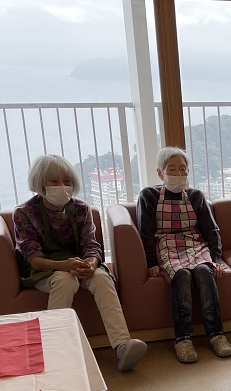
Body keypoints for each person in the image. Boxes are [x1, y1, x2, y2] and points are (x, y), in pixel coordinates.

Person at [14, 154, 146, 372]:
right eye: (54, 181)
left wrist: (92, 264)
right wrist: (64, 265)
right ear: (40, 183)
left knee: (102, 278)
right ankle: (54, 350)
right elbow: (34, 260)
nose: (62, 186)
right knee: (65, 281)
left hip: (80, 264)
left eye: (66, 181)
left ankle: (122, 346)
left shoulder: (81, 208)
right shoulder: (24, 213)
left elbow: (91, 245)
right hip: (45, 269)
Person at [137, 147, 231, 364]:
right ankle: (182, 338)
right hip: (166, 246)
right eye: (172, 169)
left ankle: (216, 334)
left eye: (183, 169)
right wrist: (151, 262)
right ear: (160, 173)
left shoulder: (196, 196)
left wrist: (216, 260)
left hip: (194, 245)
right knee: (181, 275)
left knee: (204, 272)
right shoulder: (148, 196)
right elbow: (145, 232)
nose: (178, 174)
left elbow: (212, 231)